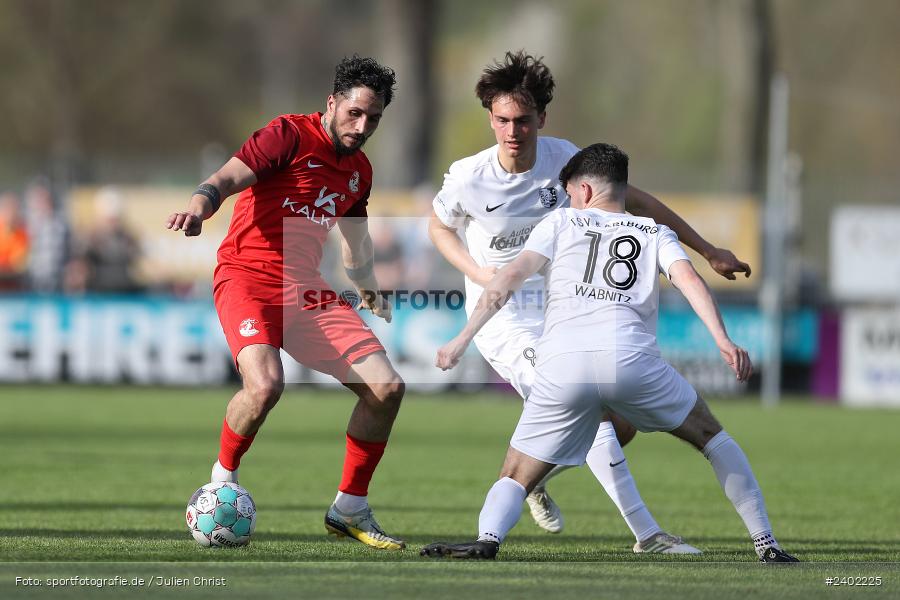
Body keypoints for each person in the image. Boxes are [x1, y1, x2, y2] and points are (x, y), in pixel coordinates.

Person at [428, 50, 750, 552]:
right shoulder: (469, 176)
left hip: (562, 313)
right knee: (598, 418)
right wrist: (477, 271)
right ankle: (648, 534)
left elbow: (636, 201)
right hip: (503, 316)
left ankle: (532, 481)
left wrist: (706, 250)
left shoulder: (563, 160)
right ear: (490, 118)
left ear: (542, 119)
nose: (513, 132)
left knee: (621, 426)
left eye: (524, 121)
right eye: (503, 121)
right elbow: (439, 226)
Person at [165, 56, 406, 551]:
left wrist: (367, 285)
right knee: (266, 385)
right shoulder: (288, 136)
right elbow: (227, 178)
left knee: (387, 387)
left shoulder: (359, 172)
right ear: (332, 103)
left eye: (374, 118)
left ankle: (350, 508)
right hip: (246, 278)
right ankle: (222, 480)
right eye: (355, 113)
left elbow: (354, 242)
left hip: (306, 290)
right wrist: (199, 205)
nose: (362, 127)